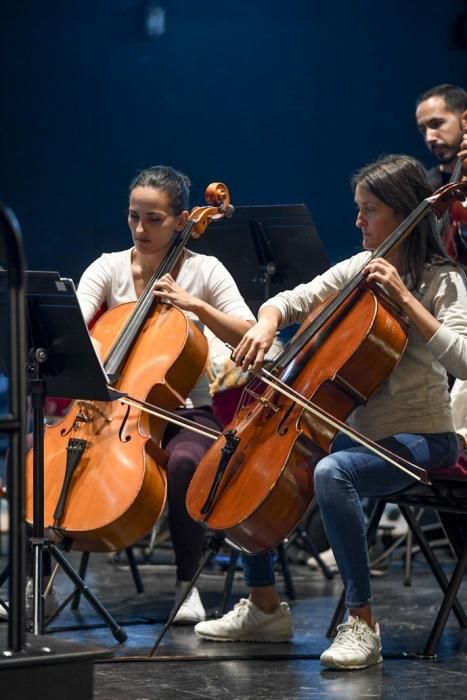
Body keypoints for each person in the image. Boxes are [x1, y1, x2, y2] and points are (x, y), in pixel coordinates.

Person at [193, 154, 467, 670]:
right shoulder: (361, 268)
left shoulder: (443, 280)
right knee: (251, 459)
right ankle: (265, 606)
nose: (358, 221)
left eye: (370, 210)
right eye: (358, 208)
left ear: (405, 212)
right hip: (360, 436)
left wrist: (407, 301)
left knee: (332, 471)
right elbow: (292, 298)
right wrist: (266, 322)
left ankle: (362, 621)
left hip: (424, 437)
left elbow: (464, 361)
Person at [76, 165, 255, 624]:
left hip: (187, 411)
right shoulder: (107, 267)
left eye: (153, 219)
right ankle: (35, 581)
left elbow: (252, 333)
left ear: (181, 221)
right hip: (110, 409)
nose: (140, 228)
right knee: (39, 450)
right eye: (134, 216)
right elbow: (74, 335)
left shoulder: (205, 270)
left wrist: (195, 305)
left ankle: (186, 583)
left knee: (186, 462)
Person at [415, 83, 467, 190]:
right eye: (423, 130)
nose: (429, 138)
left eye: (436, 124)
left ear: (465, 120)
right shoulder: (424, 190)